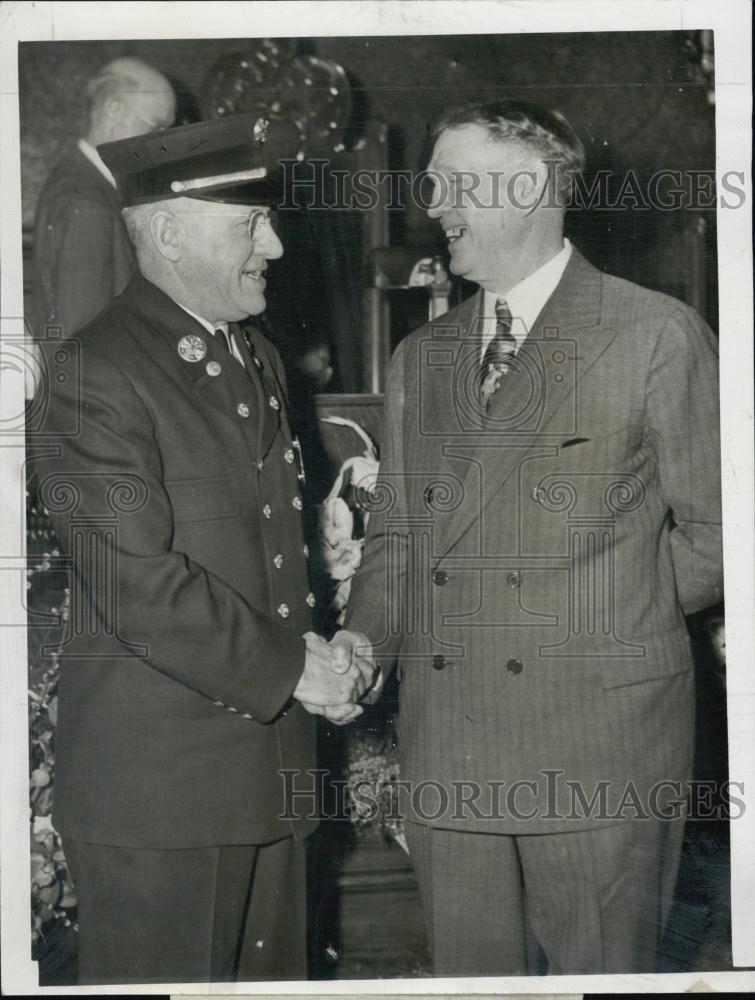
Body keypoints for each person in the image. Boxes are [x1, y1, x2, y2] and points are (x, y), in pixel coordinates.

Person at [340, 99, 723, 975]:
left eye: (450, 181)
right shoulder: (420, 359)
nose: (431, 204)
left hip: (598, 741)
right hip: (449, 742)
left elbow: (719, 533)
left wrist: (599, 612)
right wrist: (365, 640)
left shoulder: (653, 334)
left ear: (526, 188)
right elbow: (396, 541)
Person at [37, 112, 373, 985]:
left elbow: (263, 554)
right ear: (168, 234)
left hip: (268, 778)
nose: (276, 245)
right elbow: (136, 582)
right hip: (164, 795)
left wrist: (321, 650)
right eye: (250, 223)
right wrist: (295, 670)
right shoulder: (95, 371)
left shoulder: (251, 353)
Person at [32, 57, 176, 339]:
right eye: (156, 127)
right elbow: (82, 335)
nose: (162, 144)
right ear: (114, 108)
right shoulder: (87, 202)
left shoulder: (83, 181)